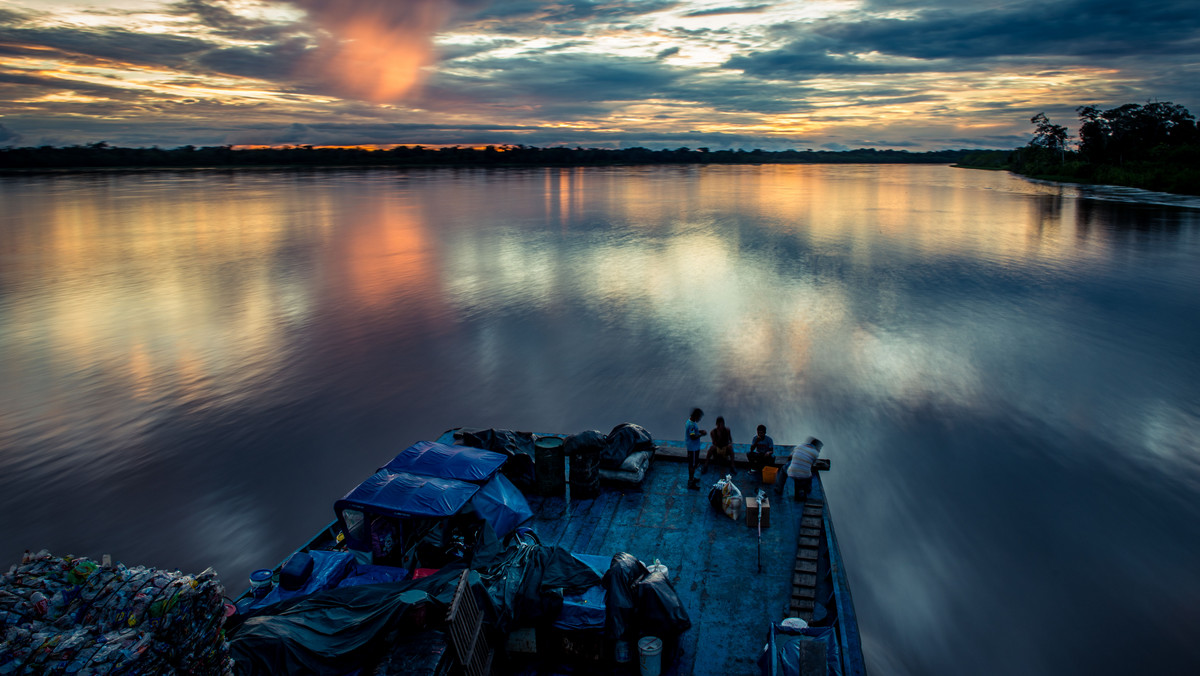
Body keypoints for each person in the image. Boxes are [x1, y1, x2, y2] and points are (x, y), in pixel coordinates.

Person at [777, 437, 823, 502]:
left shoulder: (799, 446)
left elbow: (790, 458)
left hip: (792, 473)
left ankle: (779, 489)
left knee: (783, 470)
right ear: (816, 446)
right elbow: (811, 464)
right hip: (805, 476)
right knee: (809, 475)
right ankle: (808, 490)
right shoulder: (815, 453)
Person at [684, 408, 707, 490]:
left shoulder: (690, 422)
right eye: (699, 417)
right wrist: (702, 435)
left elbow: (693, 432)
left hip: (693, 447)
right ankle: (690, 482)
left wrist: (700, 431)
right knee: (692, 465)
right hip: (693, 448)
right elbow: (692, 436)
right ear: (696, 416)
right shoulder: (692, 425)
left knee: (693, 464)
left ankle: (692, 478)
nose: (699, 419)